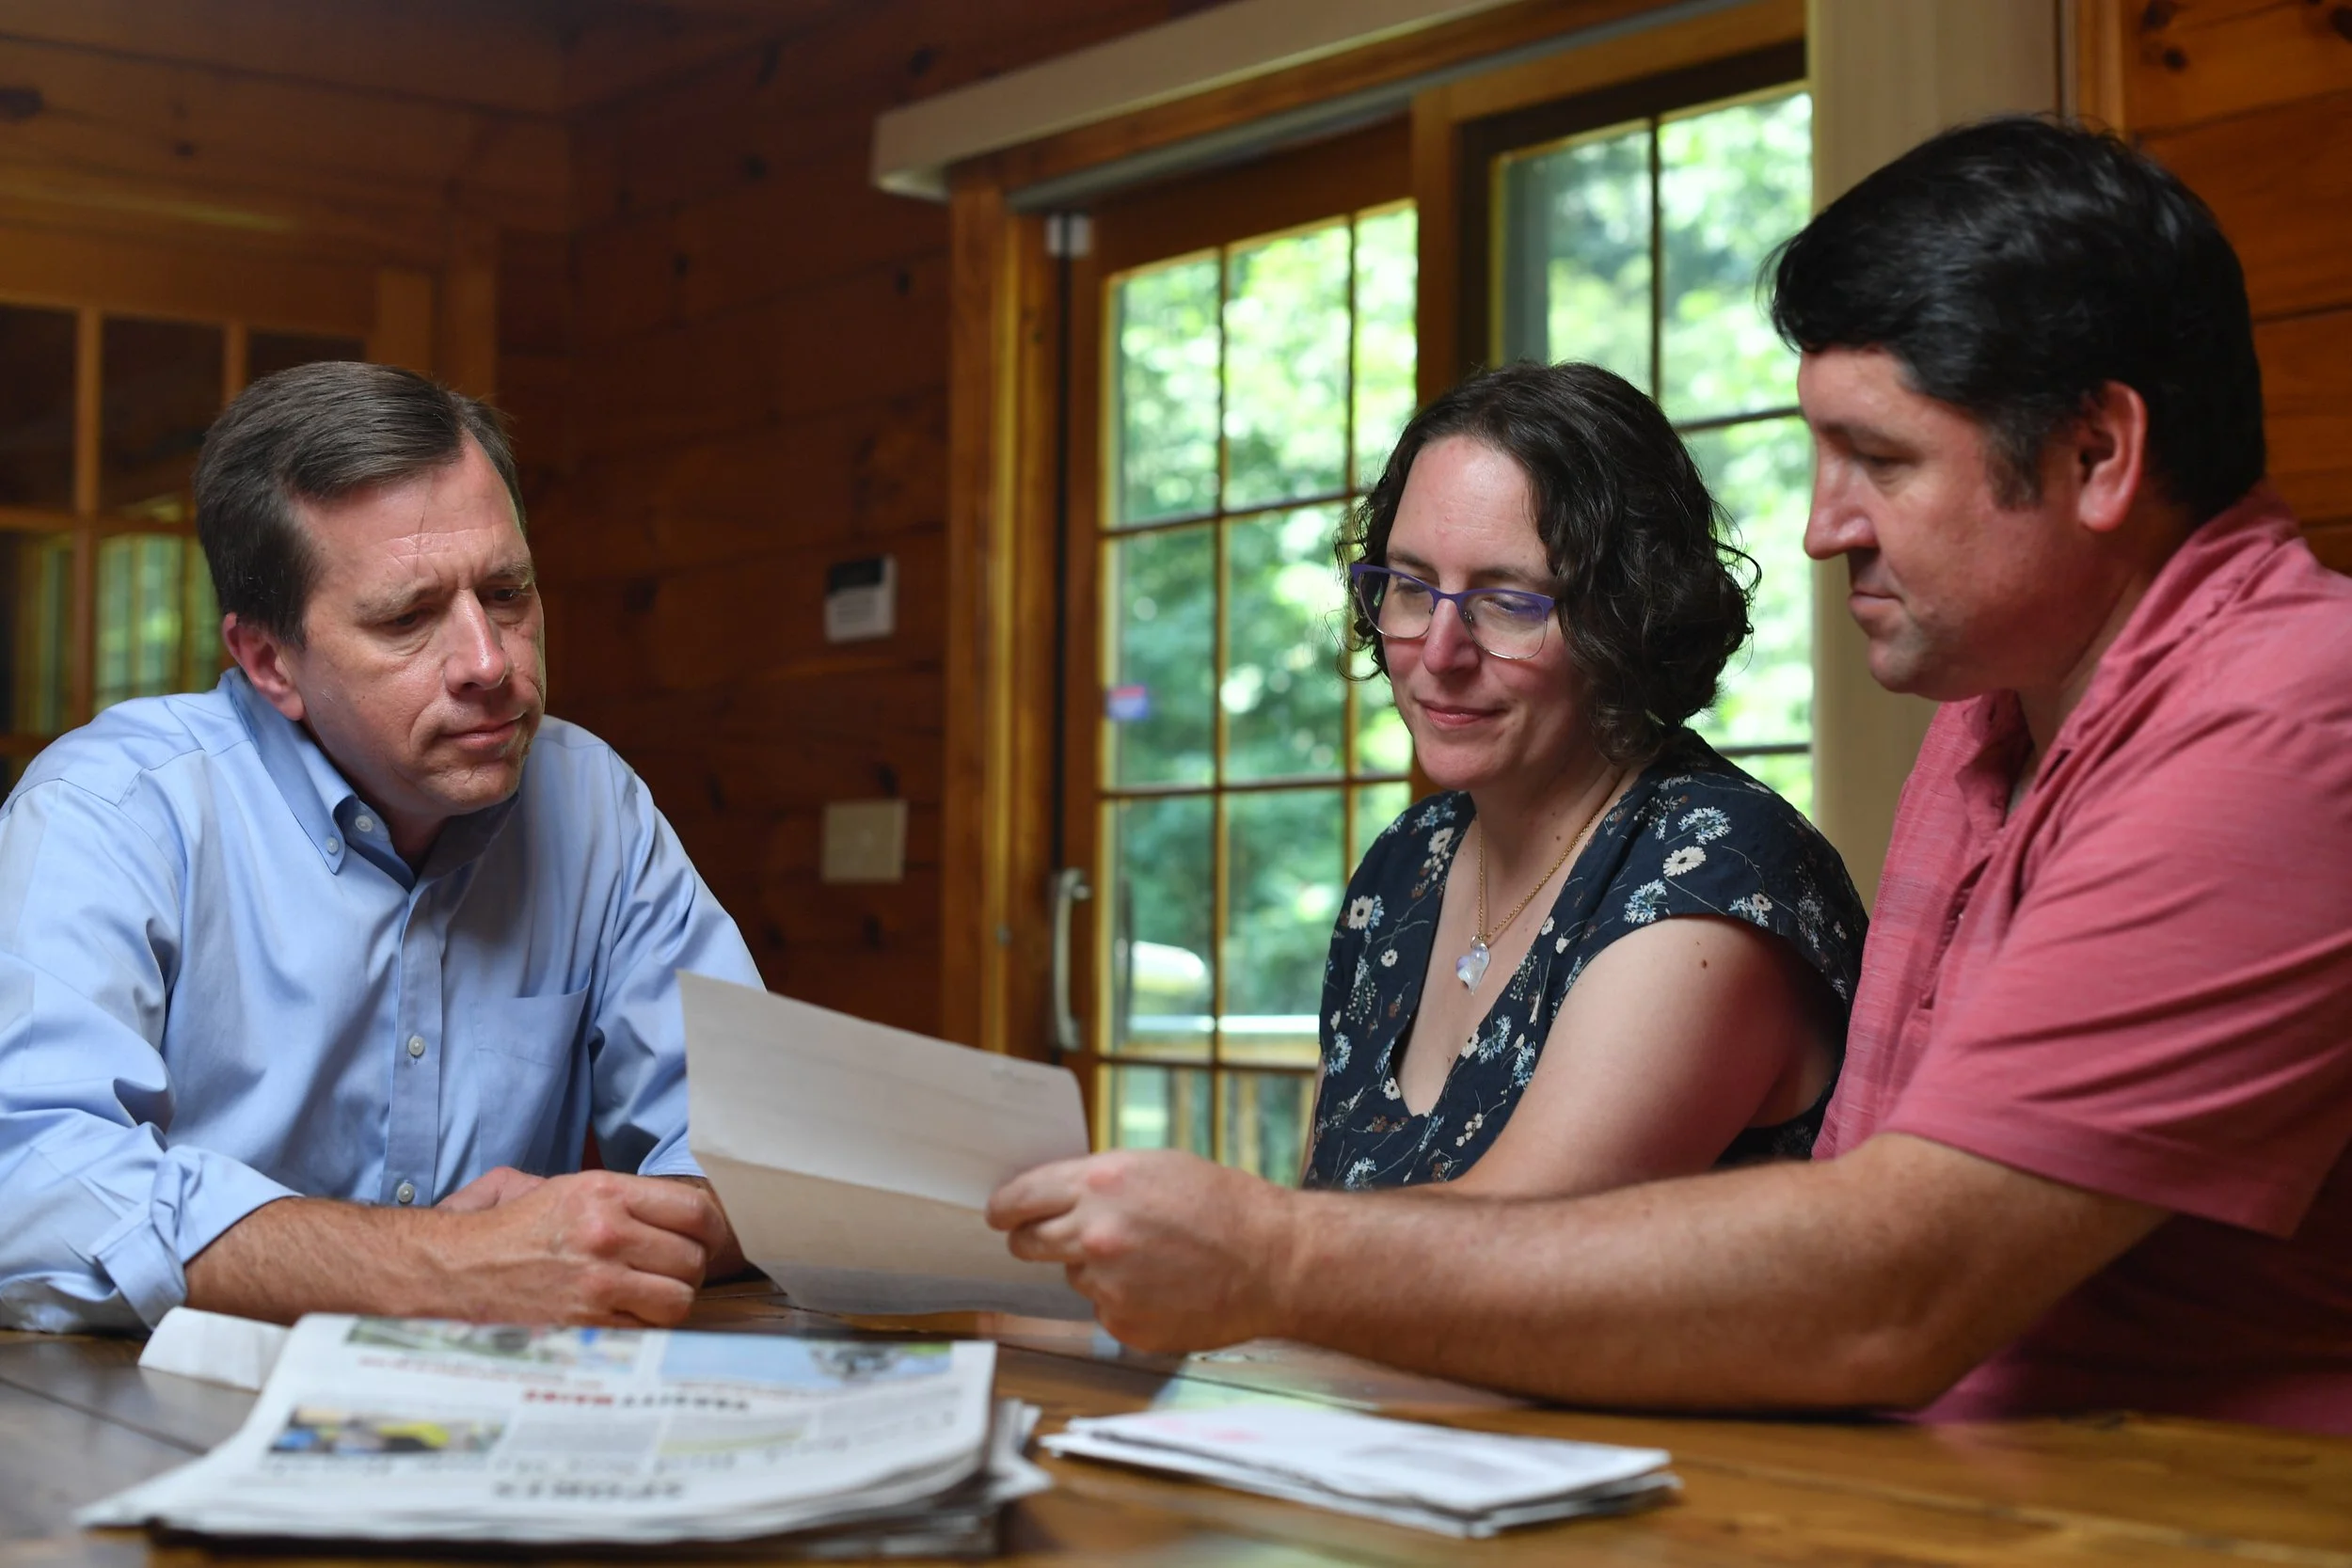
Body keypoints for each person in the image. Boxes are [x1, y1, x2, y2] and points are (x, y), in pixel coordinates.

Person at [990, 117, 2352, 1432]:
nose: (1824, 526)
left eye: (1878, 457)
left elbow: (1900, 1282)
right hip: (1929, 1479)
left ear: (2098, 454)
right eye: (1409, 588)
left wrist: (1268, 1254)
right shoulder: (1993, 712)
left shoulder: (2290, 721)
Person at [0, 362, 759, 1334]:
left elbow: (754, 1155)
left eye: (508, 591)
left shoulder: (590, 799)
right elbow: (32, 1181)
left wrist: (616, 1230)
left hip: (500, 1420)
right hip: (140, 1427)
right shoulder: (113, 809)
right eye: (407, 618)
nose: (488, 662)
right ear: (270, 660)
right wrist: (440, 1268)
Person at [1307, 361, 1864, 1197]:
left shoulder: (1719, 870)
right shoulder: (1405, 863)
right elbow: (1322, 1213)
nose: (1440, 651)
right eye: (1411, 587)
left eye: (1509, 600)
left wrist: (1232, 1237)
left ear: (1627, 616)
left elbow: (1510, 1264)